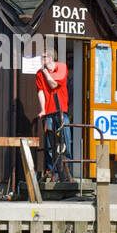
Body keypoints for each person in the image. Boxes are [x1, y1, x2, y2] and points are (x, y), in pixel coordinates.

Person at [36, 48, 71, 182]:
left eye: (44, 57)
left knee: (65, 142)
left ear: (51, 58)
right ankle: (53, 173)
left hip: (61, 111)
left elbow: (53, 84)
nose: (42, 60)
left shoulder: (61, 68)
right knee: (51, 145)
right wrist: (42, 109)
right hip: (49, 113)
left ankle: (67, 174)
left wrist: (45, 72)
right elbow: (40, 92)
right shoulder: (39, 74)